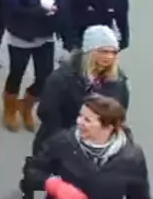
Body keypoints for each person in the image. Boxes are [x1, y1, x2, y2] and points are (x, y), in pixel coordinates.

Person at [22, 95, 150, 199]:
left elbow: (139, 192)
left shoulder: (131, 157)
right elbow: (32, 170)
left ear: (109, 127)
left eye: (87, 120)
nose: (79, 122)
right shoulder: (63, 142)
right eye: (80, 116)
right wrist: (53, 184)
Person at [2, 0, 74, 133]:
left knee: (45, 78)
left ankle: (26, 105)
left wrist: (69, 42)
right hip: (21, 36)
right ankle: (9, 109)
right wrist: (39, 10)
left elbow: (65, 12)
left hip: (45, 37)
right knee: (16, 74)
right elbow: (12, 8)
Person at [33, 24, 129, 159]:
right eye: (103, 51)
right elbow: (47, 111)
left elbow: (120, 115)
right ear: (90, 51)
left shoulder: (118, 82)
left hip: (96, 148)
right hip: (61, 146)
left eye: (113, 52)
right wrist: (67, 142)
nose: (109, 57)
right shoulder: (63, 77)